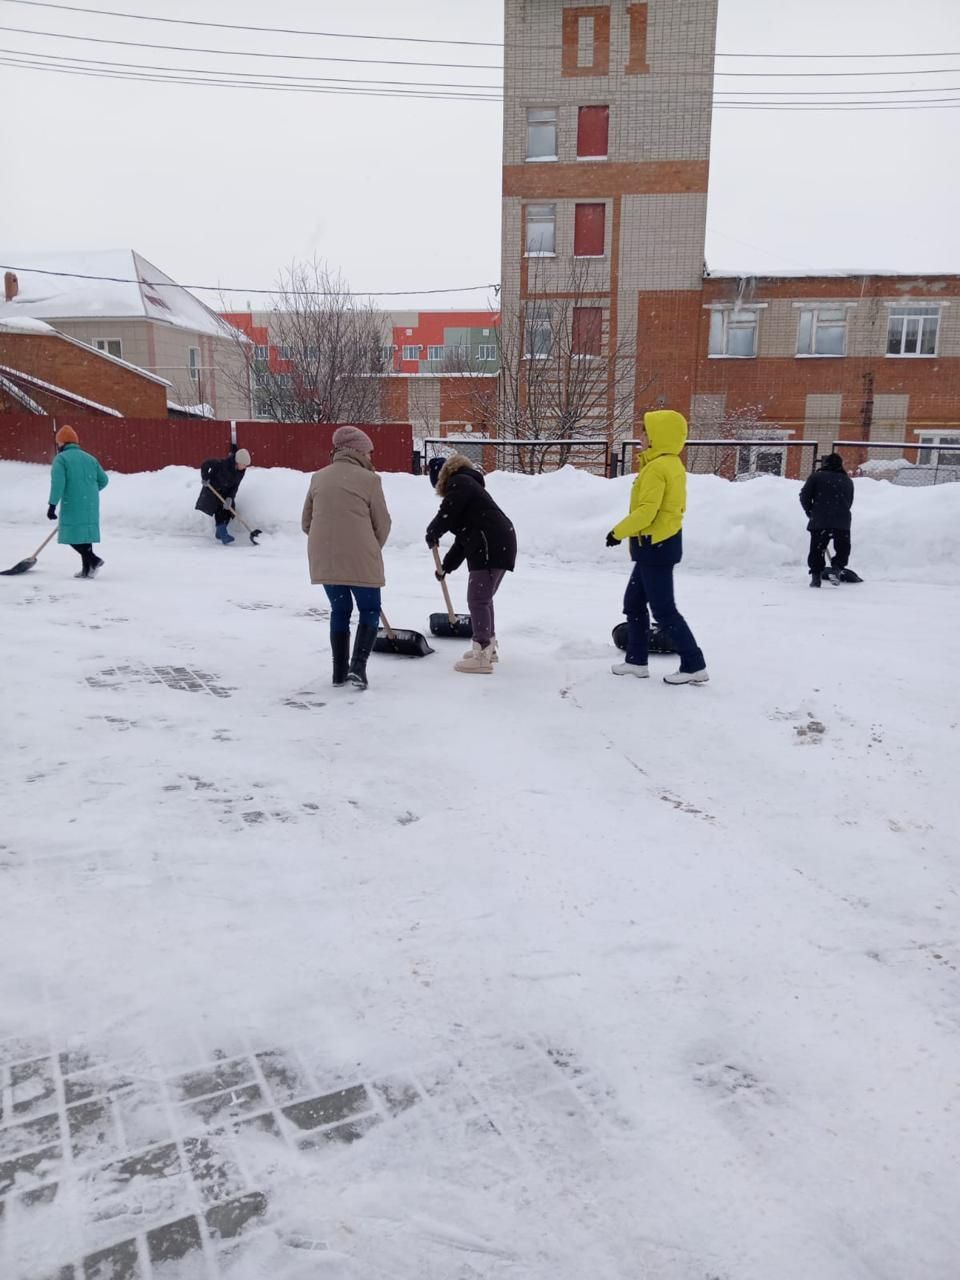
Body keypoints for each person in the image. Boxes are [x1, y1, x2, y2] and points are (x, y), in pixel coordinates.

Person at [605, 409, 708, 685]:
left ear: (658, 436)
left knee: (663, 610)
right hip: (656, 545)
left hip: (655, 545)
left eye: (646, 431)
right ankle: (637, 661)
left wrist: (618, 532)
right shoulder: (667, 464)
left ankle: (693, 664)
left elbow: (647, 511)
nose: (641, 436)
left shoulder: (658, 467)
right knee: (634, 603)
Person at [301, 425, 392, 691]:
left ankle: (338, 672)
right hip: (361, 556)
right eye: (370, 452)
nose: (372, 457)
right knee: (370, 609)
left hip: (324, 555)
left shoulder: (318, 477)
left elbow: (307, 522)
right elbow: (382, 523)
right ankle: (358, 668)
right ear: (359, 451)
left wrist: (330, 542)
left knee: (340, 610)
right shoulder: (370, 480)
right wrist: (371, 547)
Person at [425, 453, 517, 675]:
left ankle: (482, 653)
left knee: (477, 599)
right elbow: (463, 539)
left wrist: (434, 529)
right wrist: (446, 566)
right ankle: (489, 647)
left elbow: (447, 511)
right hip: (498, 543)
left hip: (490, 545)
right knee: (483, 599)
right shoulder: (470, 488)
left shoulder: (460, 482)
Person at [46, 425, 109, 579]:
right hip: (91, 503)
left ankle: (93, 560)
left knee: (70, 535)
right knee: (84, 535)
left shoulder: (61, 459)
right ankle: (87, 570)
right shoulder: (90, 458)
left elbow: (58, 484)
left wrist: (52, 505)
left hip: (72, 503)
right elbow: (104, 480)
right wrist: (89, 491)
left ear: (61, 443)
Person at [799, 452, 856, 587]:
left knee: (817, 549)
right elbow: (849, 501)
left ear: (826, 464)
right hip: (842, 521)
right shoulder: (847, 480)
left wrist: (810, 511)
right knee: (842, 548)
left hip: (820, 519)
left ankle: (816, 577)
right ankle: (836, 568)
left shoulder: (816, 477)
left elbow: (804, 496)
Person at [195, 444, 252, 543]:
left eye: (246, 465)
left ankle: (220, 532)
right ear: (237, 461)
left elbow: (235, 486)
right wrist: (205, 477)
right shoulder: (222, 464)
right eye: (243, 464)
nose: (244, 467)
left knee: (229, 510)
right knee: (219, 510)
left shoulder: (241, 472)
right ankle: (223, 533)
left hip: (226, 492)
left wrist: (230, 497)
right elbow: (205, 464)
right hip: (213, 489)